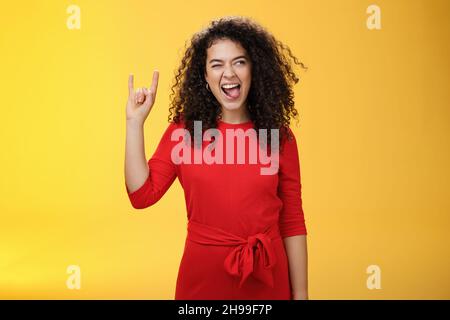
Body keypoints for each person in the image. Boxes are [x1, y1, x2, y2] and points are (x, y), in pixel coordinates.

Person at [124, 16, 309, 300]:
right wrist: (134, 123)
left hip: (268, 280)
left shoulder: (278, 137)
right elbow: (142, 195)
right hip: (202, 281)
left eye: (239, 61)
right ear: (205, 76)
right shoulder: (184, 132)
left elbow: (292, 221)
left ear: (254, 69)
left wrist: (301, 294)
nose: (229, 73)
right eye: (217, 64)